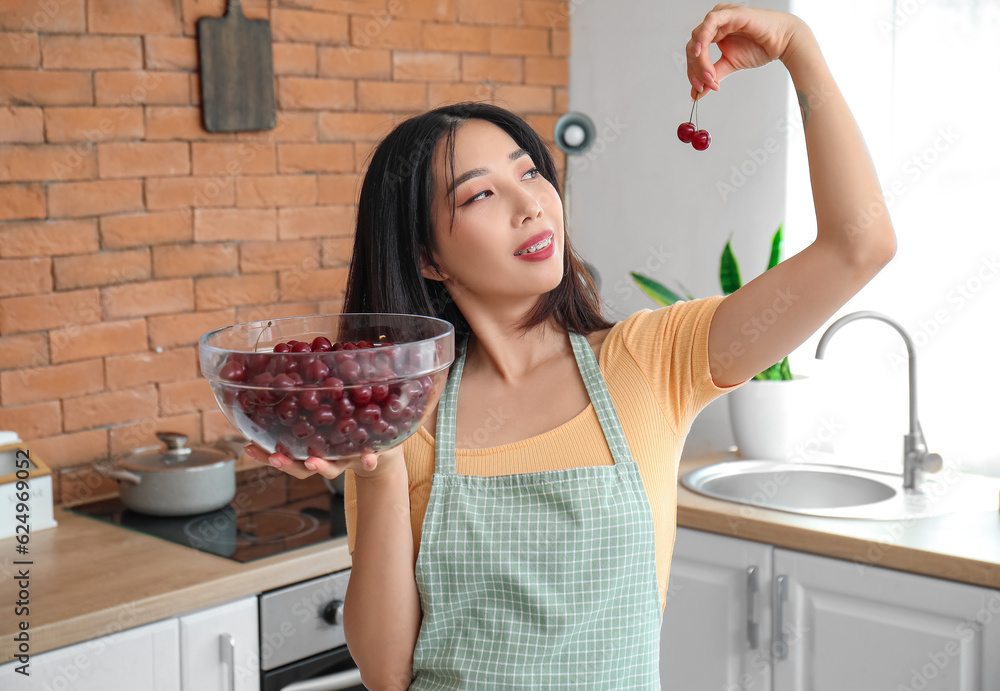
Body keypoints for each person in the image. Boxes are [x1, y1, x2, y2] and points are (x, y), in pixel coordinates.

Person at [245, 5, 896, 689]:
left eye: (530, 173)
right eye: (481, 196)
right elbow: (385, 670)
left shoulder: (652, 360)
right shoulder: (403, 411)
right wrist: (375, 473)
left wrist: (802, 49)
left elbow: (861, 245)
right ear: (429, 260)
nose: (530, 205)